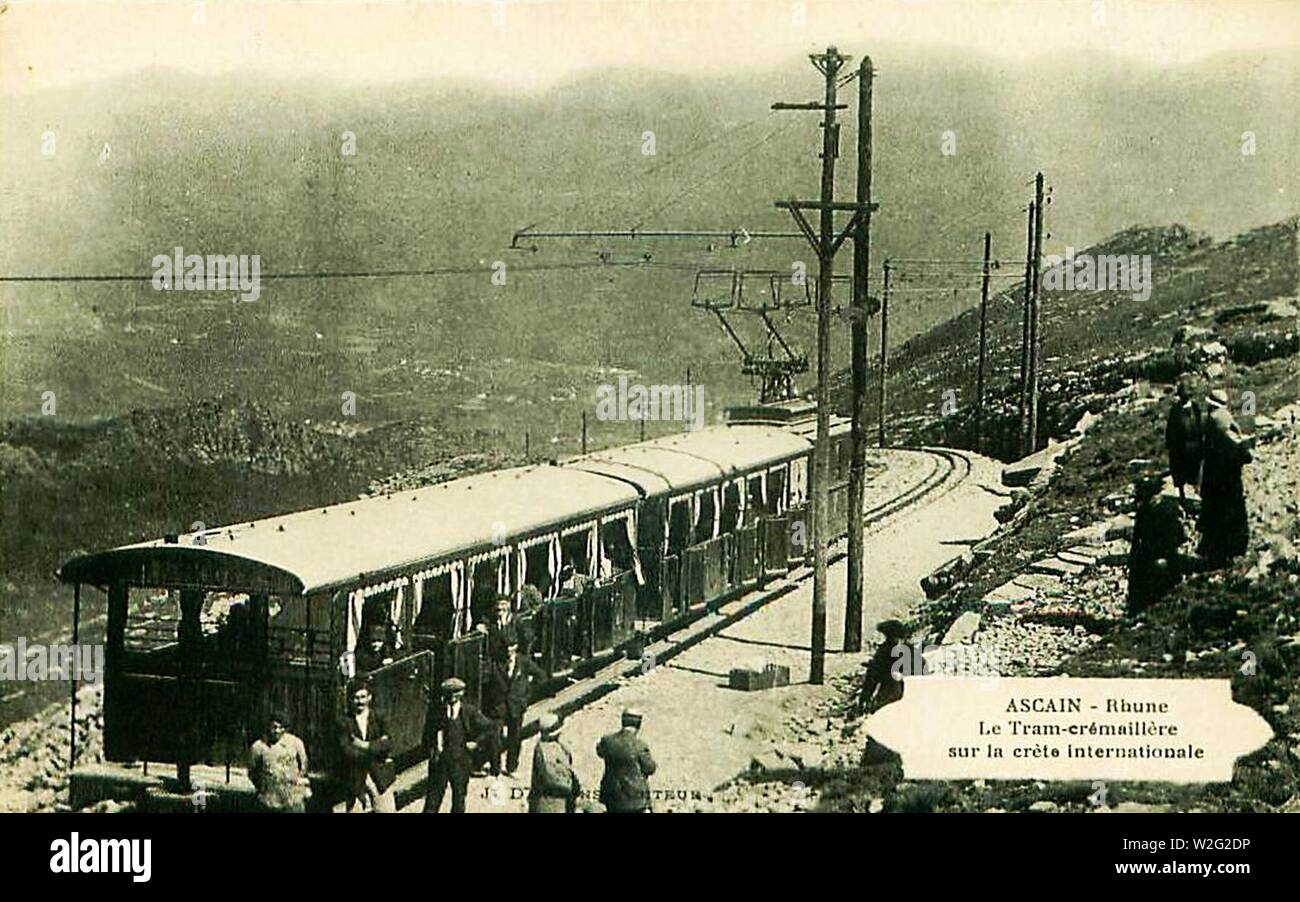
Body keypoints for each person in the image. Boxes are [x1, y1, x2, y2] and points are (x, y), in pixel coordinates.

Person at [1198, 389, 1254, 567]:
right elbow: (1240, 452)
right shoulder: (1223, 420)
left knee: (1215, 516)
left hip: (1213, 479)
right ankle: (1230, 552)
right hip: (1228, 481)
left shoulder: (1211, 422)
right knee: (1230, 514)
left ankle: (1215, 552)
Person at [423, 677, 495, 813]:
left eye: (456, 693)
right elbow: (427, 735)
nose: (452, 697)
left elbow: (490, 728)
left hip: (460, 761)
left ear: (462, 693)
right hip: (440, 761)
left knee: (459, 799)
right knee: (433, 800)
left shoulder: (469, 711)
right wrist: (431, 752)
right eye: (448, 693)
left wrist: (476, 742)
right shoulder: (436, 711)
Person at [483, 639, 547, 775]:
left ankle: (512, 767)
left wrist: (527, 695)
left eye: (511, 647)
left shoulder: (523, 662)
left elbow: (540, 675)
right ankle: (495, 769)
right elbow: (485, 681)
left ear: (516, 647)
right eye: (506, 647)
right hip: (498, 707)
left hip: (516, 706)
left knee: (515, 738)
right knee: (495, 738)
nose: (508, 650)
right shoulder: (495, 663)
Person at [337, 684, 397, 812]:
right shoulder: (344, 722)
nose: (360, 701)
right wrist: (377, 748)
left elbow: (389, 743)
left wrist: (365, 745)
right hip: (356, 776)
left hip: (380, 775)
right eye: (356, 698)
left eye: (363, 697)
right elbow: (346, 750)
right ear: (350, 700)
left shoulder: (379, 717)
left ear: (369, 697)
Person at [596, 708, 656, 813]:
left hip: (611, 796)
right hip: (635, 799)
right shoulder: (640, 746)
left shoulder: (607, 741)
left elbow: (600, 752)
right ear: (638, 724)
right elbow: (650, 768)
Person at [248, 713, 311, 813]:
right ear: (268, 727)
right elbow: (253, 771)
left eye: (281, 728)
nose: (277, 731)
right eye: (274, 727)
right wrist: (264, 787)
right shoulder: (259, 747)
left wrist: (296, 782)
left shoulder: (296, 743)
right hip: (270, 798)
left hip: (293, 797)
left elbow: (304, 765)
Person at [529, 713, 581, 813]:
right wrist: (570, 788)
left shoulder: (558, 745)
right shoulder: (543, 750)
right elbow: (550, 778)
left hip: (560, 800)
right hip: (550, 802)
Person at [859, 619, 909, 713]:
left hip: (888, 691)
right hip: (905, 694)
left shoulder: (884, 651)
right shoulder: (909, 651)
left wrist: (864, 698)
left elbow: (873, 676)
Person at [1164, 381, 1203, 501]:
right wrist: (1171, 445)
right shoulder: (1175, 410)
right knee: (1180, 472)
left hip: (1194, 446)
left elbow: (1200, 426)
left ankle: (1198, 495)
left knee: (1195, 472)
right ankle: (1182, 496)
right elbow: (1170, 429)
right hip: (1180, 448)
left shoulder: (1195, 408)